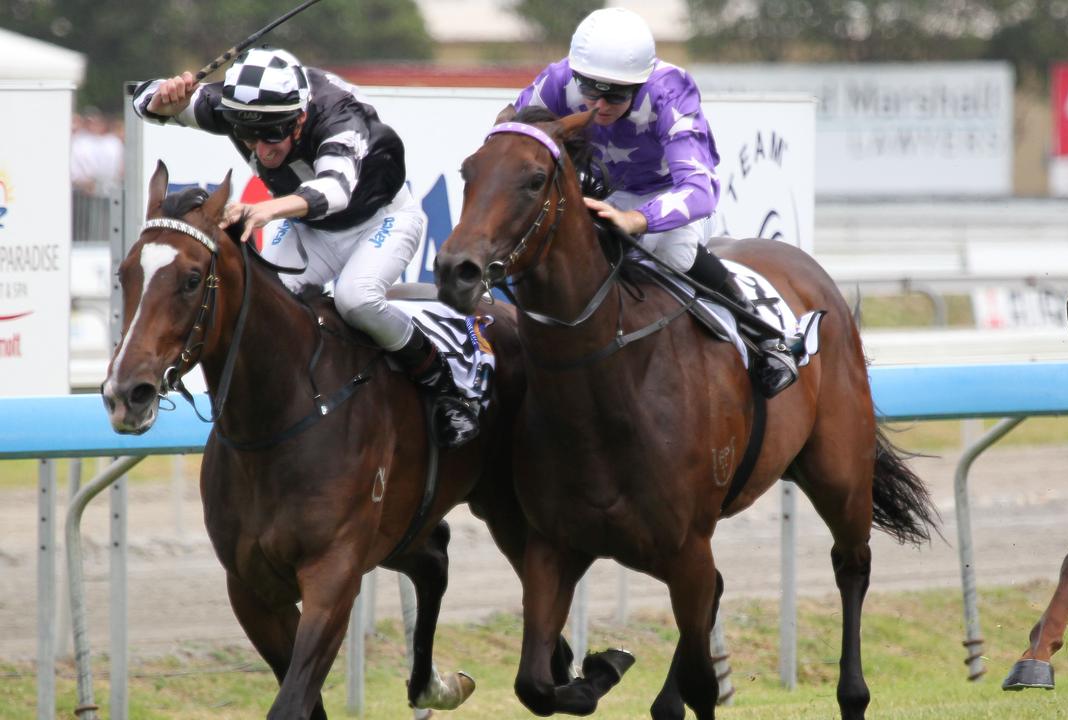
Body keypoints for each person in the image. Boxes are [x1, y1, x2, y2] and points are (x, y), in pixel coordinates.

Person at [130, 46, 480, 448]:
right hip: (309, 226)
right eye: (248, 136)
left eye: (272, 135)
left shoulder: (340, 116)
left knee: (356, 299)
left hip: (381, 220)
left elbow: (334, 190)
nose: (261, 149)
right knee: (262, 306)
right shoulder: (235, 106)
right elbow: (145, 99)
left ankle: (445, 390)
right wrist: (162, 99)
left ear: (299, 118)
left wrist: (267, 210)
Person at [512, 7, 798, 397]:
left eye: (616, 93)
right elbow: (510, 144)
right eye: (590, 88)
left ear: (640, 83)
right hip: (600, 191)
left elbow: (700, 191)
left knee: (673, 248)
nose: (599, 105)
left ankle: (765, 336)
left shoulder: (670, 90)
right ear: (575, 74)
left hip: (668, 197)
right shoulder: (557, 80)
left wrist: (636, 219)